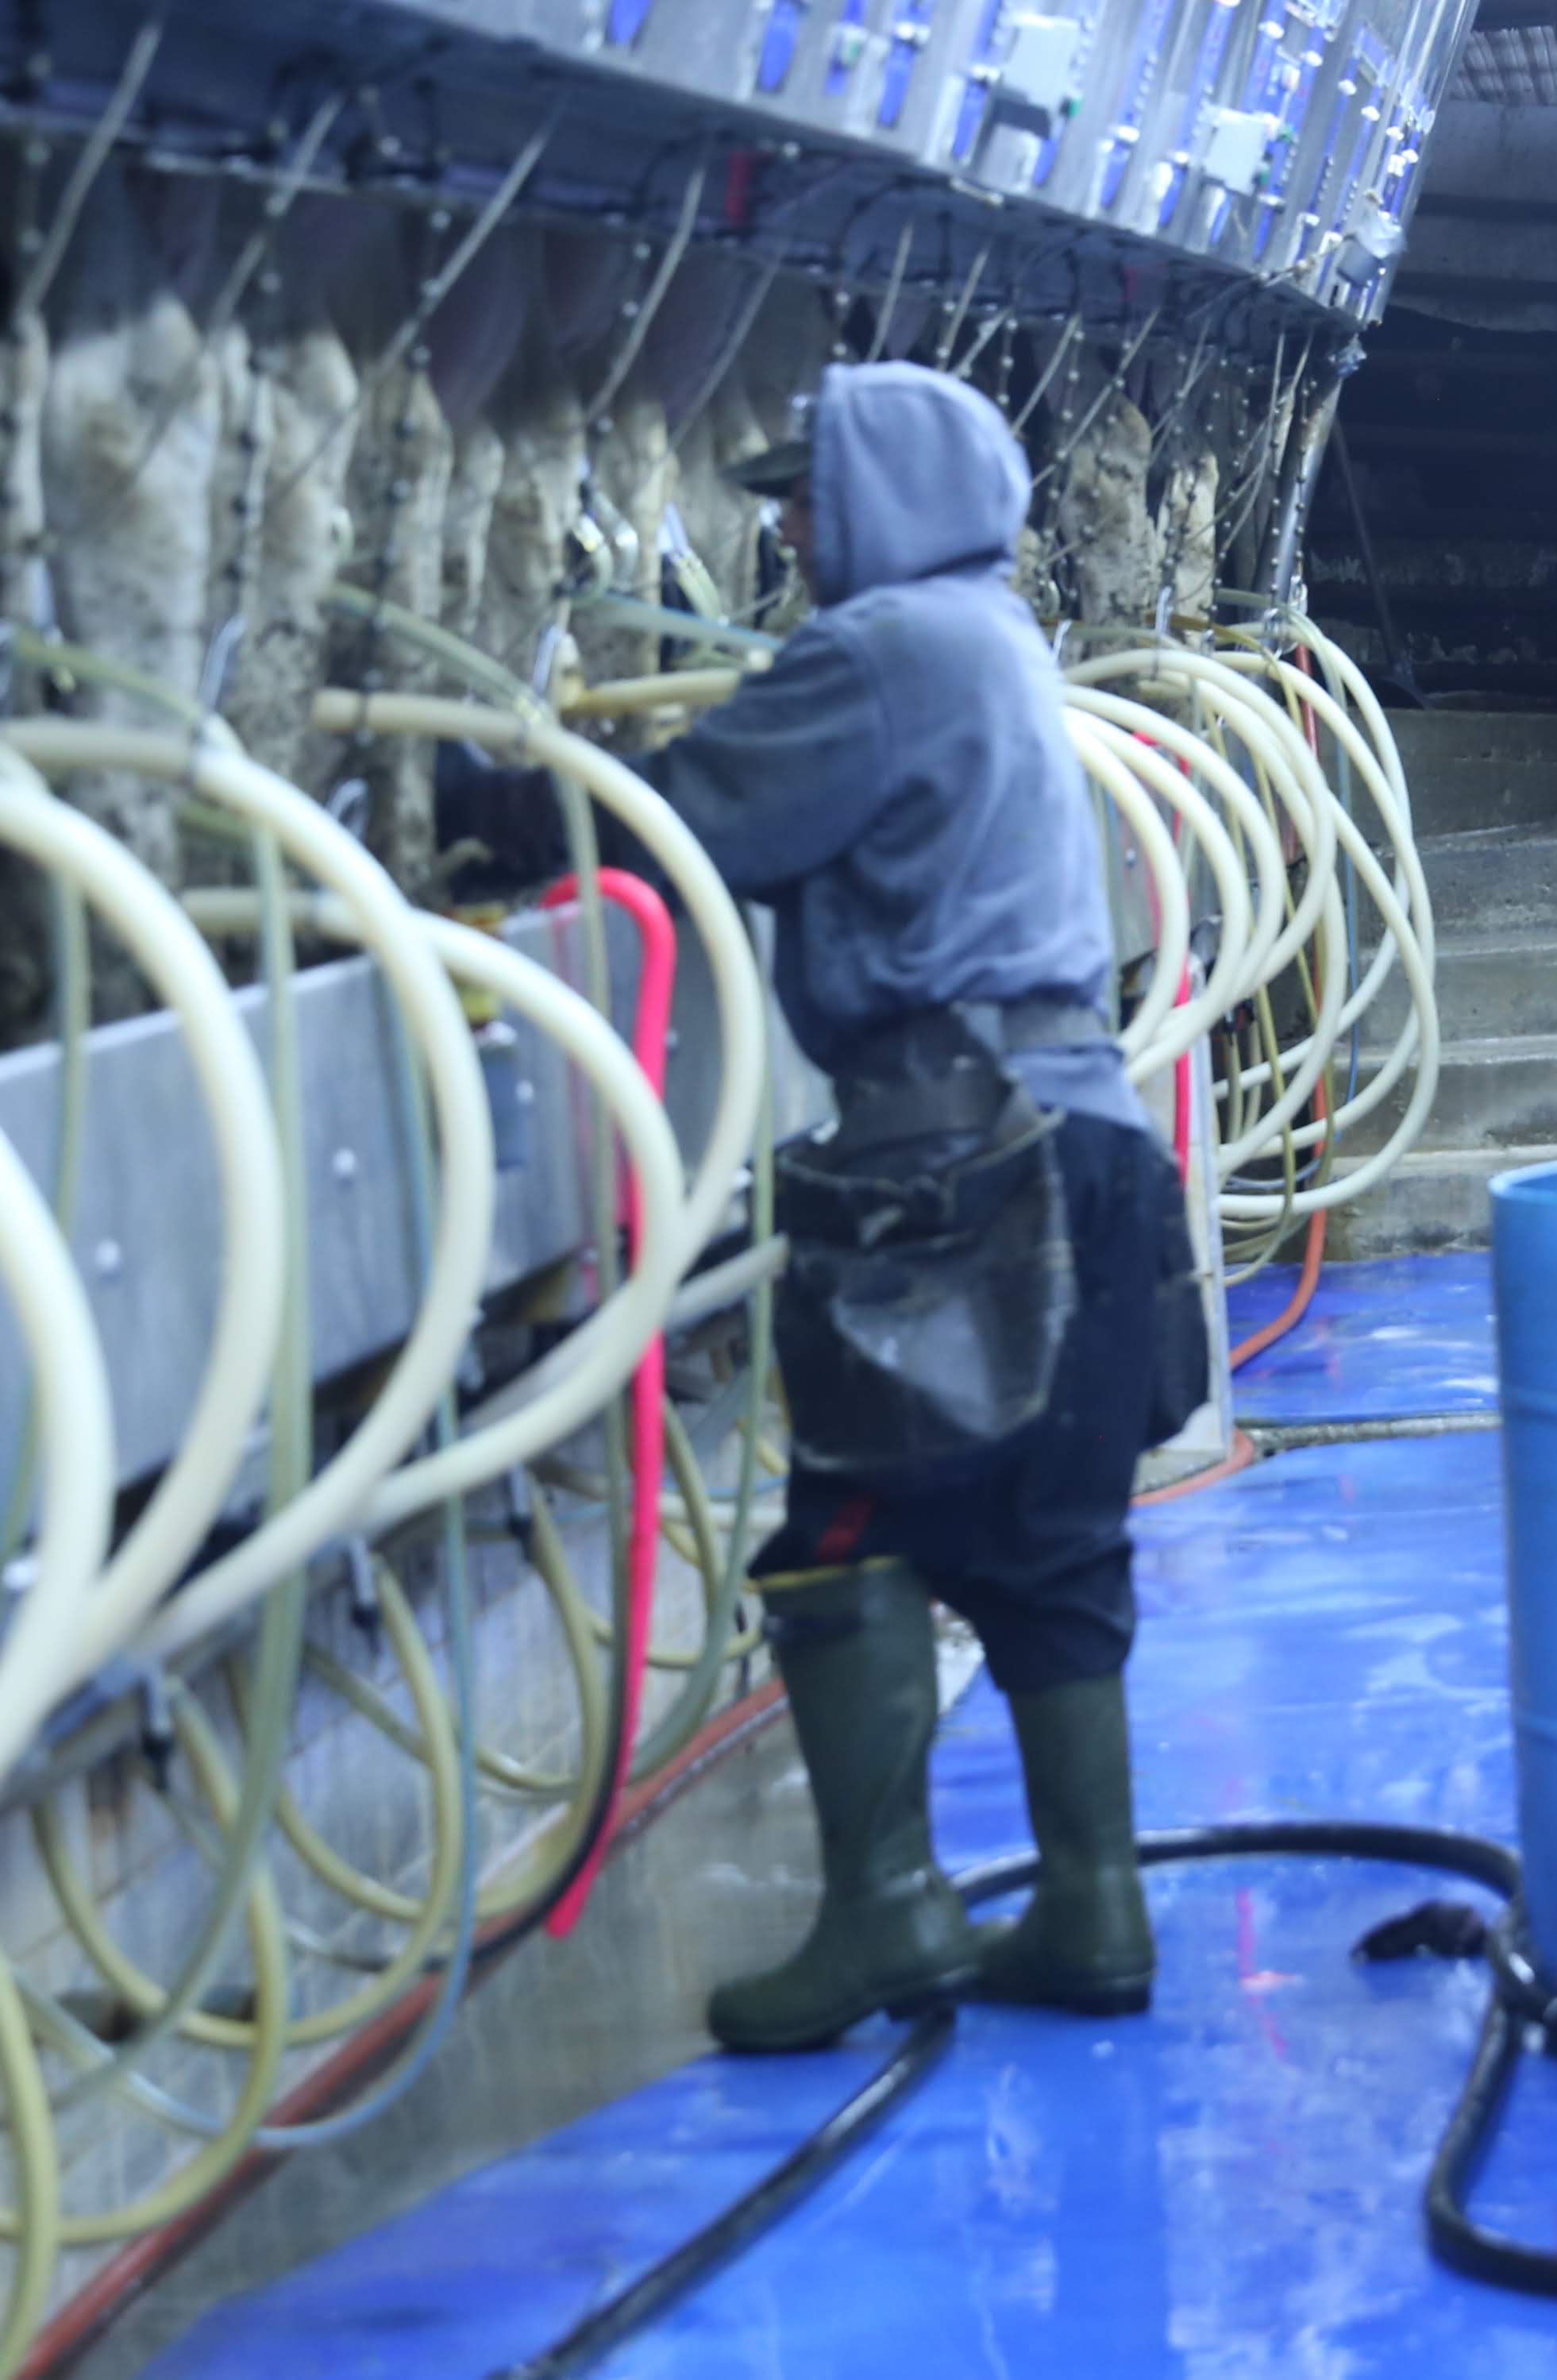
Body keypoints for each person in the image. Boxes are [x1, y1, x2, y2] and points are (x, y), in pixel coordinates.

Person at [641, 361, 1201, 2051]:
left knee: (844, 1524)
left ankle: (884, 1909)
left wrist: (484, 809)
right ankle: (1091, 1905)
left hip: (946, 1165)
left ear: (879, 494)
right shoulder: (997, 637)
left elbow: (688, 823)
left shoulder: (876, 652)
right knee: (1049, 1538)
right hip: (1084, 1146)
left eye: (807, 496)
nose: (792, 530)